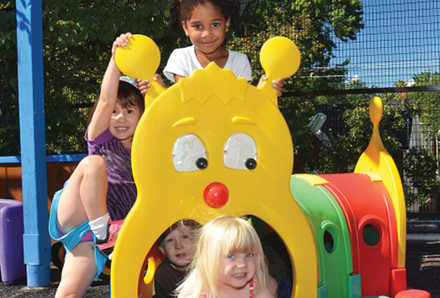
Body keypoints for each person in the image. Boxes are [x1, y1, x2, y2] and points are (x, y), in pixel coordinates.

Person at [48, 32, 145, 298]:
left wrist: (155, 87)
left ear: (142, 114)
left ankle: (104, 237)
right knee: (92, 164)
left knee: (68, 293)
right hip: (79, 215)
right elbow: (105, 98)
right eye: (114, 111)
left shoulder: (148, 149)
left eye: (129, 110)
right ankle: (104, 234)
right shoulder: (101, 140)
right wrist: (116, 59)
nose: (120, 118)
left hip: (109, 230)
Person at [139, 0, 284, 97]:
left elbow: (244, 101)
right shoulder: (181, 57)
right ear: (185, 28)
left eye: (215, 25)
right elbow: (183, 99)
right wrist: (158, 91)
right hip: (190, 136)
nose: (207, 34)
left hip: (230, 135)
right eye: (197, 26)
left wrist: (264, 91)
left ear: (226, 24)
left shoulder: (239, 61)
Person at [176, 216, 278, 298]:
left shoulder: (258, 289)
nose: (242, 264)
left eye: (249, 255)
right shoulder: (194, 294)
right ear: (209, 259)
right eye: (231, 256)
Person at [153, 219, 202, 298]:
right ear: (162, 249)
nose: (178, 246)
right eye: (170, 240)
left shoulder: (206, 267)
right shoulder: (162, 274)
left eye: (185, 237)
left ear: (197, 242)